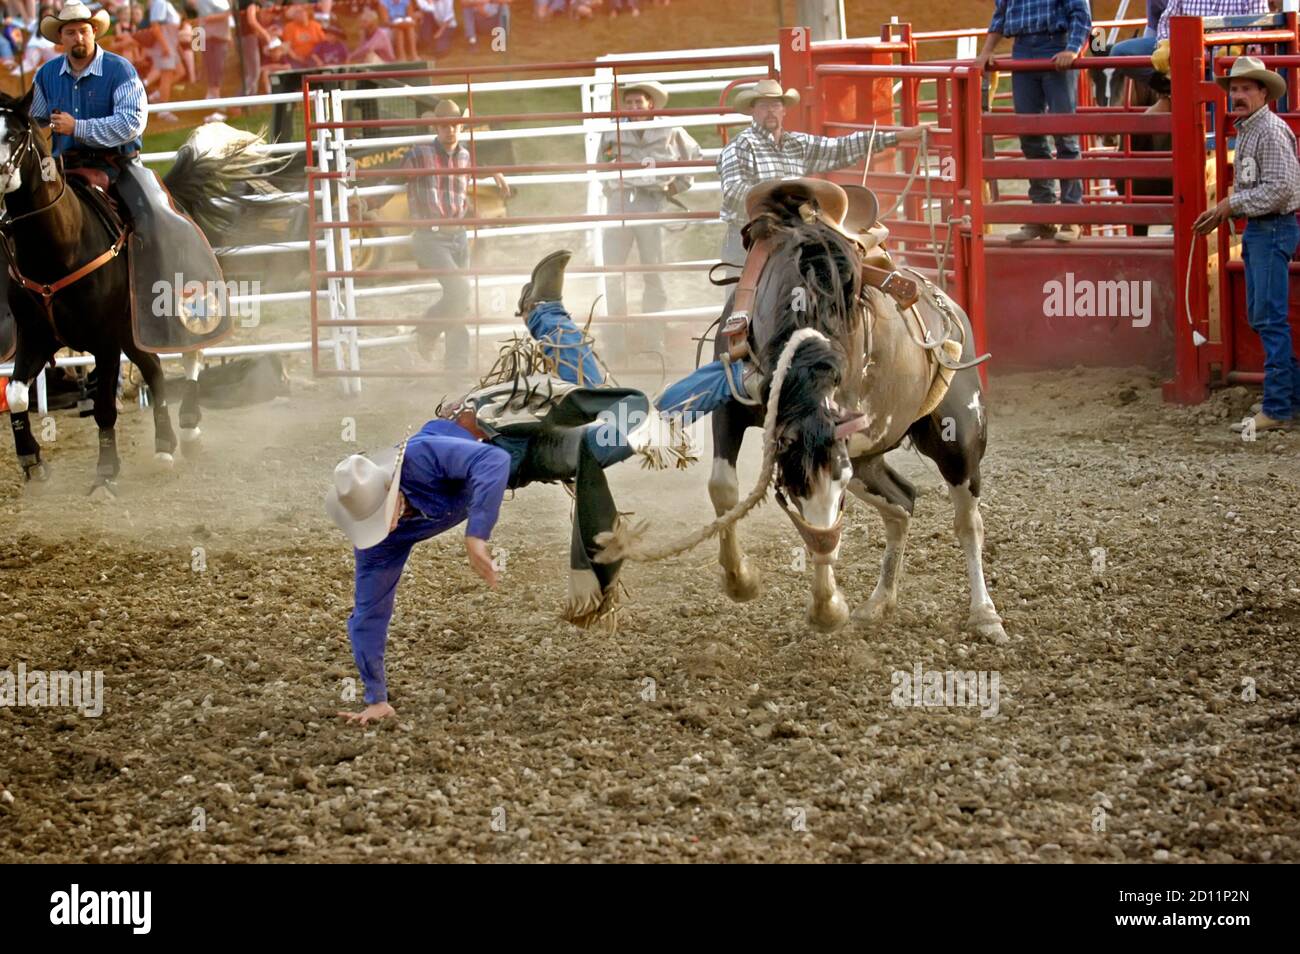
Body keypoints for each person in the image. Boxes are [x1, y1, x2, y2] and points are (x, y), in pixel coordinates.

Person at [330, 251, 660, 725]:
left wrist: (476, 534)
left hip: (506, 426)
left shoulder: (422, 455)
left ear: (393, 485)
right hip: (516, 464)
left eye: (390, 508)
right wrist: (374, 697)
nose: (395, 519)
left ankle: (542, 311)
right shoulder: (381, 542)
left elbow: (490, 461)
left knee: (610, 410)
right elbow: (368, 614)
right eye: (383, 520)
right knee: (610, 437)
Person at [716, 77, 926, 270]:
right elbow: (734, 193)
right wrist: (780, 202)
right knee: (742, 302)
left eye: (775, 105)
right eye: (763, 106)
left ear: (784, 110)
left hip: (790, 235)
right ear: (754, 111)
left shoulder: (796, 144)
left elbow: (840, 147)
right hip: (749, 238)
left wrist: (898, 137)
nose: (770, 111)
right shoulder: (740, 146)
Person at [1195, 57, 1300, 433]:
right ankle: (1288, 398)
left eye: (1245, 89)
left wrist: (1230, 204)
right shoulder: (1253, 129)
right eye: (1234, 89)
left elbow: (1283, 189)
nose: (1237, 95)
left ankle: (1276, 407)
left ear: (1263, 92)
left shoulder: (1268, 131)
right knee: (1263, 317)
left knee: (1268, 318)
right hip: (1264, 229)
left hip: (1272, 227)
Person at [400, 98, 512, 367]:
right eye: (444, 125)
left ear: (460, 126)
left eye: (454, 124)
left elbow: (472, 169)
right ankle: (427, 329)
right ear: (436, 127)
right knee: (460, 290)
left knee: (459, 300)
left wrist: (492, 172)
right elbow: (393, 175)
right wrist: (366, 198)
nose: (449, 130)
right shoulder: (419, 154)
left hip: (457, 235)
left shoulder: (464, 155)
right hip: (430, 236)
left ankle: (456, 368)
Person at [598, 79, 702, 358]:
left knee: (653, 272)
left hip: (652, 202)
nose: (633, 107)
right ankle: (617, 342)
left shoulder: (670, 129)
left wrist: (673, 186)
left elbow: (694, 157)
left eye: (638, 102)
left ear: (650, 104)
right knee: (613, 271)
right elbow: (601, 164)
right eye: (629, 103)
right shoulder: (613, 129)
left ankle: (653, 340)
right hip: (620, 203)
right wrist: (610, 187)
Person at [974, 0, 1092, 244]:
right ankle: (1043, 214)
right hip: (1023, 50)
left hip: (1056, 44)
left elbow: (1081, 13)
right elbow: (1001, 12)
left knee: (1064, 134)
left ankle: (1071, 216)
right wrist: (987, 50)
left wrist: (1072, 48)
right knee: (1030, 136)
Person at [1111, 1, 1270, 100]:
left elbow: (1258, 28)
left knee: (1233, 76)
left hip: (1226, 58)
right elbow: (1166, 21)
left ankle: (1187, 93)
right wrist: (1165, 44)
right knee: (1120, 53)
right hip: (1186, 52)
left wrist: (1237, 46)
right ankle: (1174, 89)